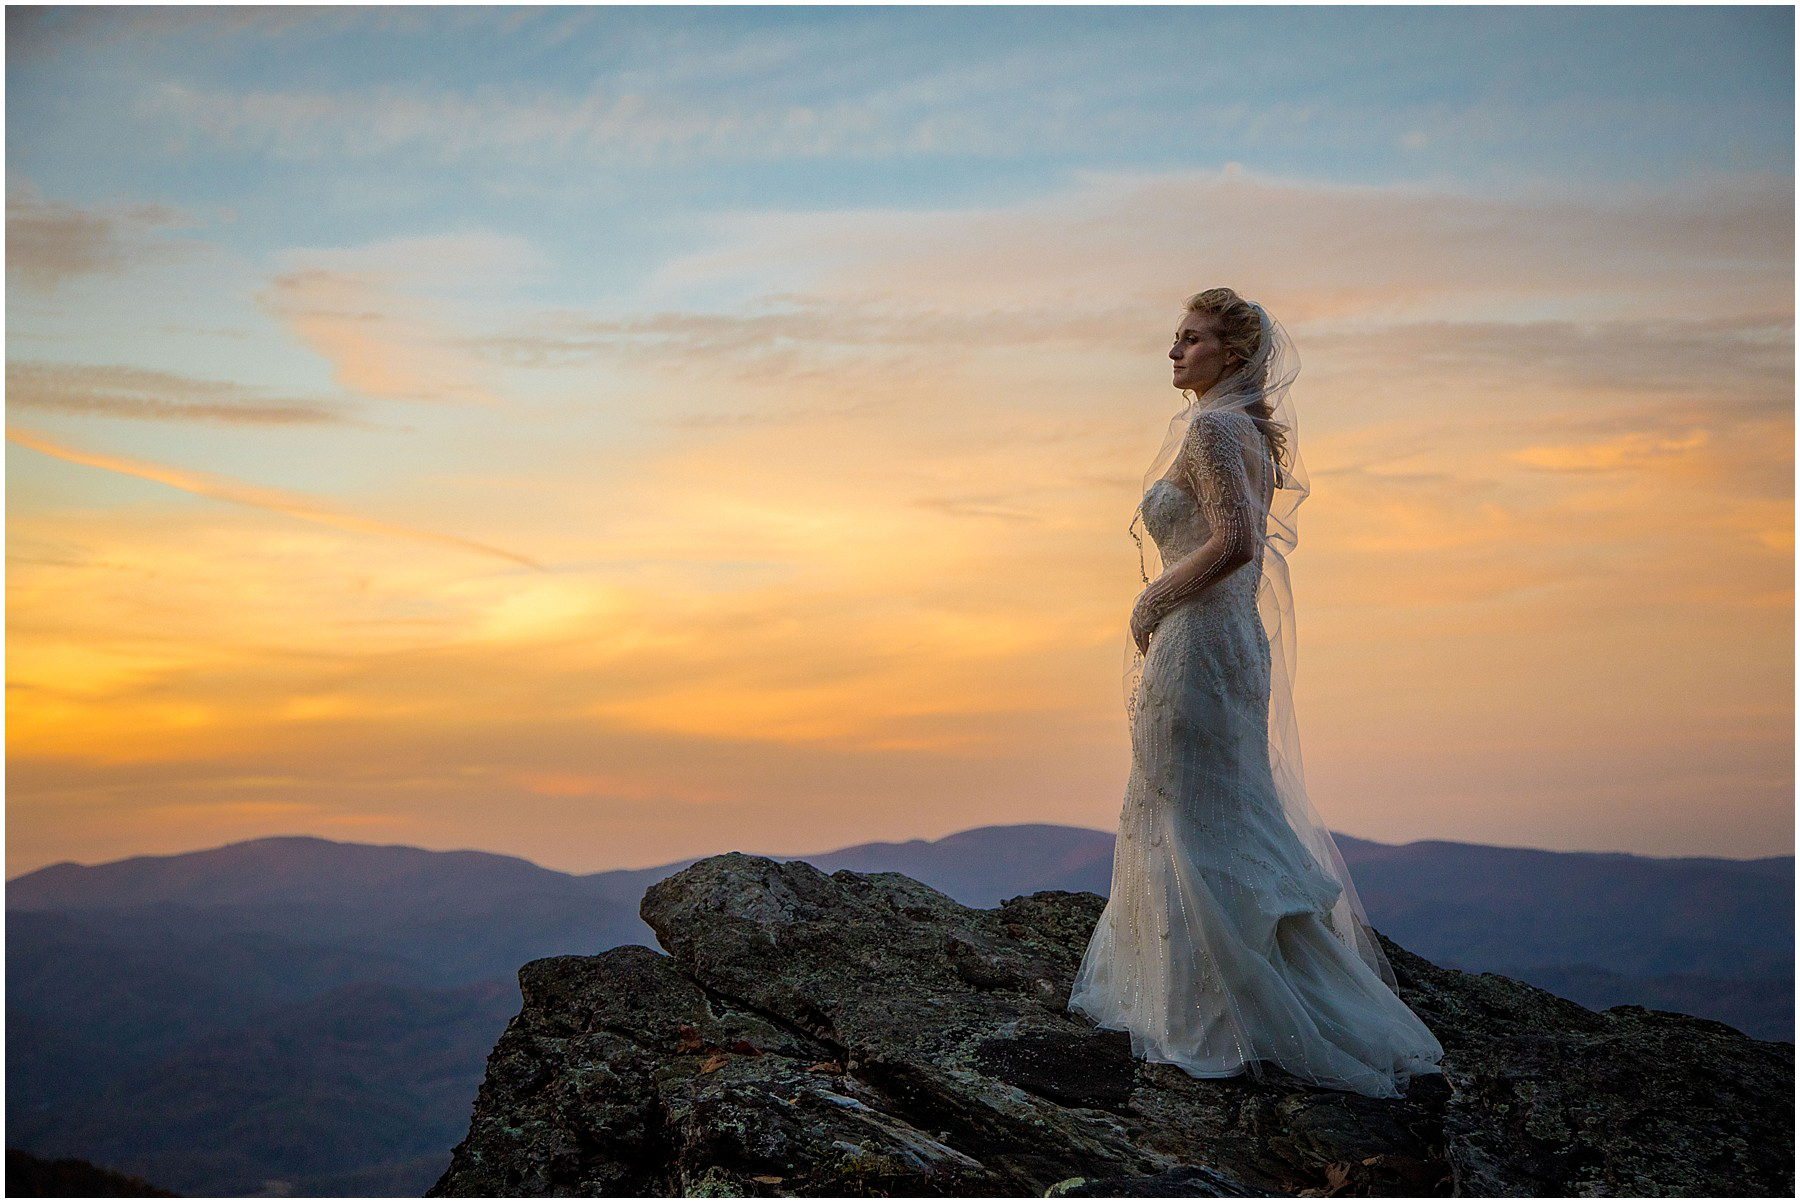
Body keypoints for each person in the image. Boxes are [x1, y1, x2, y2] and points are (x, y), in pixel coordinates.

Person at [1066, 288, 1444, 1098]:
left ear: (1229, 355)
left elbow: (1236, 543)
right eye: (1175, 337)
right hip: (1231, 646)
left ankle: (1213, 1016)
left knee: (1190, 814)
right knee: (1219, 809)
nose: (1174, 351)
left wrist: (1151, 599)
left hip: (1200, 643)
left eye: (1191, 339)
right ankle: (1224, 999)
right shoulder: (1247, 433)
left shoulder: (1212, 428)